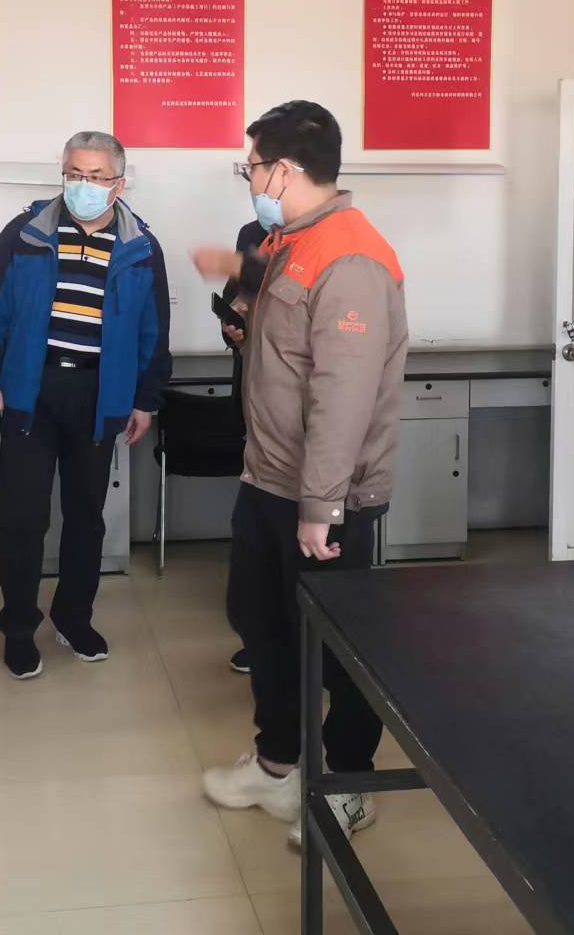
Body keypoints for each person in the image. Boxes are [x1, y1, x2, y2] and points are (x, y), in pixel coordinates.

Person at [196, 101, 408, 845]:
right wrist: (237, 279)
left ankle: (349, 783)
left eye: (252, 167)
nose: (250, 180)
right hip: (269, 477)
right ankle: (278, 763)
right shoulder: (289, 242)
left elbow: (342, 396)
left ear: (283, 170)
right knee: (264, 625)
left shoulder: (350, 257)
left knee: (339, 645)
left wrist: (321, 506)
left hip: (325, 497)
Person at [0, 132, 171, 680]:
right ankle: (18, 628)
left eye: (96, 176)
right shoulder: (24, 234)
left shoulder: (142, 247)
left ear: (118, 183)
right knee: (20, 517)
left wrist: (145, 400)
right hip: (30, 392)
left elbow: (154, 331)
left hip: (99, 397)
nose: (83, 184)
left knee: (86, 518)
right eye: (75, 173)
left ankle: (74, 618)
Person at [194, 219, 268, 676]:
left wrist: (231, 262)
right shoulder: (252, 233)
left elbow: (292, 289)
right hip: (254, 399)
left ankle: (291, 645)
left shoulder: (323, 242)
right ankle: (260, 639)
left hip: (295, 412)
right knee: (254, 530)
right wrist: (233, 326)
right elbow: (237, 296)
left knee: (287, 536)